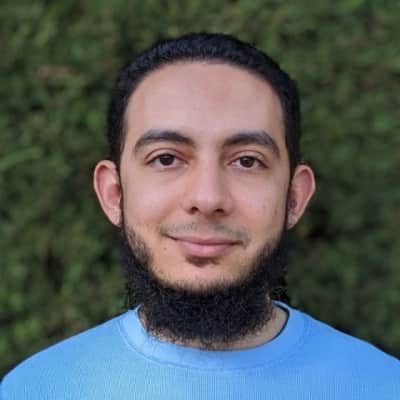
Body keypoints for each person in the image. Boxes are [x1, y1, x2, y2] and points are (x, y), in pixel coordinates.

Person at [2, 32, 399, 399]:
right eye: (166, 158)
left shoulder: (383, 386)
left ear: (294, 197)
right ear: (114, 193)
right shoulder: (35, 389)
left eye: (247, 161)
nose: (207, 198)